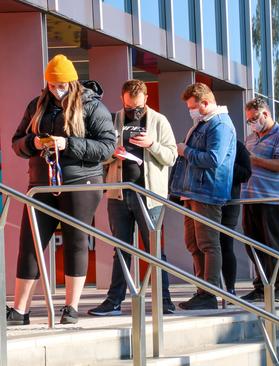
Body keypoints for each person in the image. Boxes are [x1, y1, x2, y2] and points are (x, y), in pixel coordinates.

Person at [8, 54, 116, 325]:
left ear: (72, 81)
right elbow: (17, 142)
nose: (57, 88)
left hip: (80, 184)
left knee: (75, 243)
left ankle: (71, 306)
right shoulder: (37, 105)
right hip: (41, 185)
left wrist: (69, 145)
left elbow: (107, 148)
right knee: (30, 246)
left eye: (62, 83)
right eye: (53, 83)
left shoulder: (91, 106)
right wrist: (34, 143)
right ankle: (20, 310)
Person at [88, 80, 177, 316]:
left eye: (136, 107)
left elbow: (171, 156)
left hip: (150, 196)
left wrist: (152, 144)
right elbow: (100, 155)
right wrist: (111, 153)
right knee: (121, 249)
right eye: (128, 107)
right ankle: (114, 301)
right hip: (119, 193)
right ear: (122, 100)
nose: (133, 112)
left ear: (146, 99)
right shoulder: (114, 119)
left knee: (154, 250)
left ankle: (163, 300)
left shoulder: (159, 121)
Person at [170, 82, 236, 309]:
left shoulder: (220, 125)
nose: (191, 111)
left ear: (205, 103)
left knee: (208, 243)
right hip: (193, 191)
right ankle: (202, 291)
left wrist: (185, 151)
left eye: (193, 106)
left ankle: (209, 293)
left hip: (207, 192)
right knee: (193, 243)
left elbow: (214, 159)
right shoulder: (204, 123)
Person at [240, 97, 279, 302]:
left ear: (266, 114)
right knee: (253, 244)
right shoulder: (250, 138)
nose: (252, 123)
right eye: (249, 120)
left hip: (273, 199)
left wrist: (256, 160)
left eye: (254, 118)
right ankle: (262, 285)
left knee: (275, 244)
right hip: (250, 198)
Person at [220, 140, 251, 296]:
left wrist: (225, 161)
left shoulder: (236, 146)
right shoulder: (202, 139)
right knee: (204, 246)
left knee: (225, 244)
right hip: (204, 200)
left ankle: (230, 289)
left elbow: (246, 174)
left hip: (229, 202)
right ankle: (207, 289)